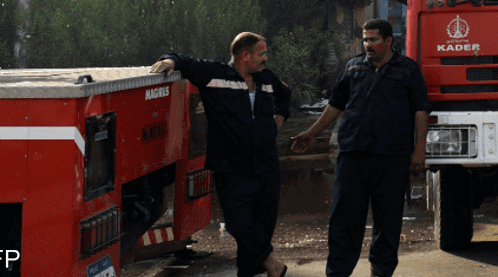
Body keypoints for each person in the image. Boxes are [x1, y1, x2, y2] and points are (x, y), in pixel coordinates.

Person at [293, 19, 430, 277]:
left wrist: (419, 149)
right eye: (365, 40)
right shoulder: (353, 68)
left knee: (387, 221)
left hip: (392, 157)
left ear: (388, 41)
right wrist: (312, 133)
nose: (368, 45)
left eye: (373, 39)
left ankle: (381, 271)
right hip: (353, 156)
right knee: (344, 219)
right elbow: (335, 105)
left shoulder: (408, 70)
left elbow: (420, 111)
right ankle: (338, 272)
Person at [150, 33, 291, 277]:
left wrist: (278, 121)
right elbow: (182, 59)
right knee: (238, 223)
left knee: (263, 225)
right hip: (232, 168)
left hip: (267, 165)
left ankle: (249, 272)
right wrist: (170, 62)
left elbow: (285, 95)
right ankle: (272, 265)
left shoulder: (267, 79)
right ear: (244, 56)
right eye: (261, 54)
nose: (265, 59)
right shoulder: (214, 75)